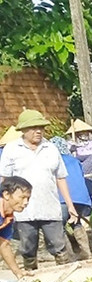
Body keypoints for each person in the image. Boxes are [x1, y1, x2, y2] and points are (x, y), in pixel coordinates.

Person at [0, 109, 78, 270]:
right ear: (23, 130)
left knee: (59, 247)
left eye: (41, 128)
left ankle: (65, 278)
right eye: (34, 128)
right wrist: (5, 207)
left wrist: (70, 205)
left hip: (50, 207)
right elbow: (4, 180)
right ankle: (31, 278)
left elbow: (61, 178)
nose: (38, 131)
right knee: (27, 249)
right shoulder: (12, 149)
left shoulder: (51, 148)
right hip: (23, 212)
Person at [51, 137, 92, 260]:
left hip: (63, 199)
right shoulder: (74, 161)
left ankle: (68, 256)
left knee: (59, 227)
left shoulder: (52, 161)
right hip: (81, 198)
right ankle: (86, 252)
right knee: (76, 222)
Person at [0, 176, 33, 279]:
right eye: (22, 197)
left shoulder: (8, 217)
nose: (26, 202)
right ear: (6, 194)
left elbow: (4, 244)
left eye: (28, 198)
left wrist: (17, 271)